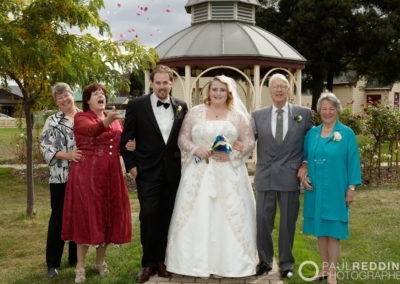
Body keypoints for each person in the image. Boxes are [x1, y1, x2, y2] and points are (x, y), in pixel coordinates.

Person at [165, 75, 258, 278]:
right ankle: (192, 263)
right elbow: (182, 138)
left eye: (222, 90)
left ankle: (228, 264)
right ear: (208, 91)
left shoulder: (236, 116)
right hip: (198, 172)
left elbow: (249, 141)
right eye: (214, 89)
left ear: (228, 93)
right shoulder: (196, 113)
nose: (217, 93)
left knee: (226, 215)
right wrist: (195, 148)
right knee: (197, 214)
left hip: (228, 173)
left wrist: (232, 154)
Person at [120, 65, 188, 283]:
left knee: (167, 217)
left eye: (165, 83)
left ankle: (162, 261)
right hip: (146, 172)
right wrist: (131, 167)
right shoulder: (136, 106)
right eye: (157, 82)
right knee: (148, 215)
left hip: (172, 173)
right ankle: (148, 263)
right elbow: (126, 140)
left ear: (171, 83)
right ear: (151, 83)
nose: (161, 86)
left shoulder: (181, 107)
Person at [61, 82, 132, 283]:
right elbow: (93, 131)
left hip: (111, 173)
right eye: (96, 94)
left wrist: (129, 145)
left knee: (107, 216)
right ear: (87, 100)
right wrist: (107, 121)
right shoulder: (81, 117)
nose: (101, 96)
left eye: (103, 93)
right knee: (87, 218)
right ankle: (80, 265)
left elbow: (119, 143)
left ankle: (100, 262)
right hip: (88, 174)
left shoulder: (114, 118)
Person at [251, 73, 313, 279]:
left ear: (288, 90)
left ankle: (286, 264)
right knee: (262, 222)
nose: (278, 90)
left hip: (290, 175)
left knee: (287, 223)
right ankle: (265, 261)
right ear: (269, 90)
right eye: (275, 86)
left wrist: (305, 163)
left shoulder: (303, 114)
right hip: (265, 175)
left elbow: (311, 143)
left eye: (282, 86)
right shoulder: (257, 115)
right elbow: (248, 141)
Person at [301, 92, 361, 284]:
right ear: (319, 111)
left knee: (333, 230)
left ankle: (333, 273)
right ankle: (324, 268)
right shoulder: (312, 133)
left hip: (336, 188)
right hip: (316, 189)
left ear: (337, 111)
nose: (327, 112)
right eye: (324, 109)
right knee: (320, 230)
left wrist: (351, 188)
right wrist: (303, 170)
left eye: (331, 109)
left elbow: (353, 162)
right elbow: (305, 157)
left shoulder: (346, 134)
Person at [40, 83, 80, 278]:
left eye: (66, 95)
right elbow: (46, 148)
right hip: (60, 177)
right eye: (59, 98)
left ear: (73, 95)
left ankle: (75, 259)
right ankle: (52, 263)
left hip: (82, 178)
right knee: (59, 219)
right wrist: (68, 155)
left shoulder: (84, 117)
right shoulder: (52, 121)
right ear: (56, 102)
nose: (64, 100)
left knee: (78, 217)